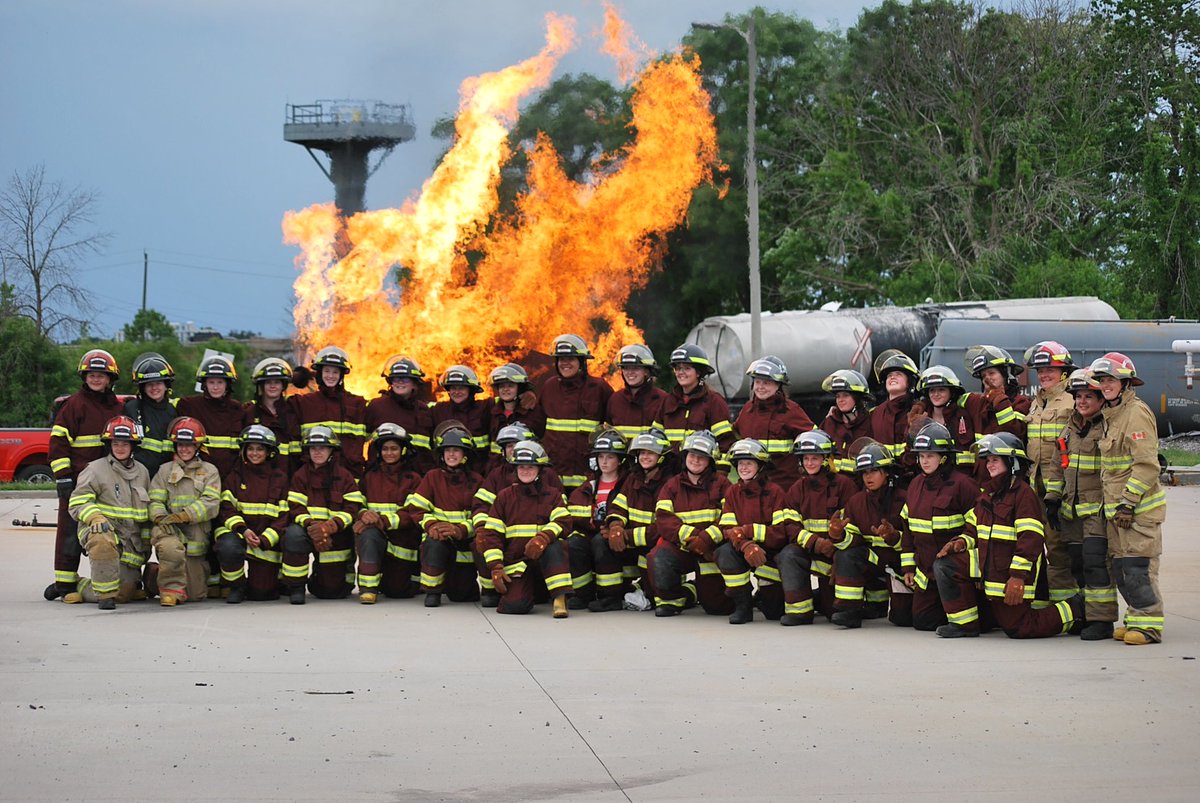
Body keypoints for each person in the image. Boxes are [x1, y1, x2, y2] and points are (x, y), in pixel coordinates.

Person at [931, 433, 1079, 639]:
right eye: (988, 460)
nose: (989, 465)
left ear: (1012, 462)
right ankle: (964, 625)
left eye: (995, 460)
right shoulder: (988, 494)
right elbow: (973, 530)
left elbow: (1031, 539)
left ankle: (1077, 608)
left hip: (1011, 574)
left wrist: (1018, 577)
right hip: (990, 569)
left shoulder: (1023, 494)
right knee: (946, 564)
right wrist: (960, 543)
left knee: (1019, 628)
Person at [1090, 352, 1167, 645]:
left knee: (1139, 568)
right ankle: (1134, 619)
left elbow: (1147, 465)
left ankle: (1148, 626)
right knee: (1123, 569)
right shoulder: (1112, 414)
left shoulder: (1135, 413)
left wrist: (1128, 502)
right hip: (1118, 512)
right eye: (1103, 380)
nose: (1106, 385)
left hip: (1137, 512)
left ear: (1126, 383)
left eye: (1111, 380)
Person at [46, 349, 125, 600]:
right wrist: (63, 477)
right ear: (84, 376)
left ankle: (109, 578)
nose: (96, 378)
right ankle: (65, 583)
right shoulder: (74, 405)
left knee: (108, 531)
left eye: (101, 374)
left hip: (109, 483)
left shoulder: (118, 407)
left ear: (110, 378)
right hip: (78, 481)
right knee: (69, 532)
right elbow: (58, 443)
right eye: (91, 374)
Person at [176, 356, 251, 596]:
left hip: (229, 483)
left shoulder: (239, 410)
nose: (216, 386)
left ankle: (225, 582)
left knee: (223, 532)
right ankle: (209, 581)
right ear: (204, 384)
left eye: (220, 382)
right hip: (198, 482)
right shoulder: (189, 406)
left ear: (228, 385)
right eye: (211, 382)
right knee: (202, 533)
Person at [899, 420, 981, 632]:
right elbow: (907, 530)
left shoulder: (963, 485)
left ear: (943, 457)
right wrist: (908, 567)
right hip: (926, 573)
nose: (925, 461)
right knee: (921, 621)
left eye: (930, 456)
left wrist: (960, 545)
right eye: (921, 456)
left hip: (954, 568)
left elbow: (978, 525)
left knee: (983, 619)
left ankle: (969, 619)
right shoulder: (916, 484)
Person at [63, 416, 152, 609]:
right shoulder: (95, 469)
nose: (120, 448)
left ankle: (86, 585)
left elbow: (146, 514)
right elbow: (78, 501)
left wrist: (146, 544)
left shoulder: (143, 473)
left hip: (130, 544)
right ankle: (101, 596)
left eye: (125, 444)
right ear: (108, 445)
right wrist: (95, 516)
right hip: (101, 531)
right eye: (116, 443)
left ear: (133, 446)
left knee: (125, 591)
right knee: (102, 535)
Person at [477, 439, 573, 617]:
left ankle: (560, 598)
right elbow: (492, 534)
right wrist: (496, 566)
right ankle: (535, 592)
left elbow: (563, 521)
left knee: (555, 547)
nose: (525, 471)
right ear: (515, 469)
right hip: (518, 564)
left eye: (530, 467)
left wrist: (543, 538)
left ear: (539, 470)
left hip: (545, 560)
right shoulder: (504, 497)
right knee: (515, 606)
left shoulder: (552, 495)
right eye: (521, 467)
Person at [824, 438, 911, 628]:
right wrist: (838, 535)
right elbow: (852, 542)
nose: (867, 477)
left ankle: (880, 602)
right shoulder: (856, 502)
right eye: (864, 472)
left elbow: (915, 542)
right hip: (874, 562)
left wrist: (894, 537)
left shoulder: (905, 499)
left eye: (873, 471)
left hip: (900, 566)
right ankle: (849, 611)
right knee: (846, 555)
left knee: (903, 619)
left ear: (886, 472)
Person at [647, 430, 734, 617]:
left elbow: (730, 517)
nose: (696, 460)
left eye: (702, 457)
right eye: (692, 455)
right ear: (685, 456)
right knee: (659, 557)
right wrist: (694, 537)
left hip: (712, 550)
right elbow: (663, 519)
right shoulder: (671, 486)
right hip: (684, 547)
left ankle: (694, 591)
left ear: (710, 460)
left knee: (717, 607)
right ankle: (672, 601)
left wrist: (707, 539)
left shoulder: (723, 484)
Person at [1059, 368, 1118, 639]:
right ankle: (1083, 614)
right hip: (1071, 510)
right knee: (1077, 564)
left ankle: (1102, 620)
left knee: (1096, 563)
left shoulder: (1106, 426)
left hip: (1097, 510)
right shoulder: (1069, 427)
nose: (1082, 402)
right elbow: (1057, 465)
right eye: (1078, 396)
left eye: (1088, 396)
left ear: (1101, 400)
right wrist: (1051, 498)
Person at [778, 430, 858, 625]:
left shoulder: (844, 485)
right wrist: (815, 542)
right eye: (806, 458)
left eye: (815, 458)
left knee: (833, 612)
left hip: (837, 552)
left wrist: (836, 542)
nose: (810, 463)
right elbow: (789, 525)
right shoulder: (797, 488)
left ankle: (843, 606)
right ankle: (800, 612)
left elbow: (854, 524)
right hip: (811, 550)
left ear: (826, 459)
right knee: (788, 554)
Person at [281, 425, 366, 604]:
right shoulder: (300, 476)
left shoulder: (345, 476)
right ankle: (296, 587)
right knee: (293, 535)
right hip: (308, 530)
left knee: (331, 591)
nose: (317, 452)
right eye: (313, 448)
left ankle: (320, 580)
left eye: (322, 448)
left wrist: (331, 526)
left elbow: (353, 507)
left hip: (336, 533)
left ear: (332, 451)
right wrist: (312, 526)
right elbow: (295, 506)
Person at [1021, 341, 1078, 604]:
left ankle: (1065, 607)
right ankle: (1046, 600)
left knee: (1058, 547)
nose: (1044, 375)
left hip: (1063, 488)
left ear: (1064, 371)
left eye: (1050, 370)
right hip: (1037, 486)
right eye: (1040, 370)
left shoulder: (1073, 400)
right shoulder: (1037, 403)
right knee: (1037, 543)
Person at [408, 422, 484, 607]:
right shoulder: (432, 477)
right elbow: (416, 508)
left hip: (464, 543)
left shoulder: (477, 480)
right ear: (441, 454)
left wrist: (460, 530)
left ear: (465, 454)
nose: (451, 454)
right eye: (447, 450)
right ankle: (432, 592)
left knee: (462, 595)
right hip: (439, 538)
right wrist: (432, 525)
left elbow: (482, 514)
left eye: (456, 450)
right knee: (433, 543)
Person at [714, 438, 790, 624]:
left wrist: (749, 532)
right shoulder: (732, 492)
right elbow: (727, 528)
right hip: (742, 548)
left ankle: (765, 595)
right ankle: (743, 605)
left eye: (749, 463)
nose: (744, 468)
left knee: (774, 613)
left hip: (770, 554)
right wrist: (746, 544)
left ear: (761, 466)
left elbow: (781, 532)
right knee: (724, 552)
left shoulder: (775, 492)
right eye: (740, 463)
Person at [148, 417, 222, 606]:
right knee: (171, 550)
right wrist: (159, 516)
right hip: (169, 530)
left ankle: (152, 576)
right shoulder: (164, 471)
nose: (184, 449)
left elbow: (211, 502)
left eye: (189, 445)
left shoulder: (210, 471)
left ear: (198, 446)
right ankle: (168, 590)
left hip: (195, 540)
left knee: (196, 595)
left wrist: (185, 515)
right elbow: (155, 499)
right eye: (180, 444)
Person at [214, 424, 289, 603]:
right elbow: (226, 508)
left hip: (265, 539)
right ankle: (235, 586)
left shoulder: (280, 479)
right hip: (239, 533)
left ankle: (263, 582)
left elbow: (284, 516)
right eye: (251, 449)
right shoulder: (234, 476)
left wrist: (265, 539)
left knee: (262, 595)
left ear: (269, 452)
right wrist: (243, 530)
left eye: (260, 449)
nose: (254, 453)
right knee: (228, 547)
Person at [353, 423, 424, 603]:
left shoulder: (414, 479)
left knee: (397, 590)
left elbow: (412, 513)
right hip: (375, 536)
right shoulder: (369, 477)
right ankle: (368, 589)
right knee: (368, 535)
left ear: (403, 450)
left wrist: (382, 520)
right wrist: (362, 514)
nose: (389, 453)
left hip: (402, 540)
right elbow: (357, 502)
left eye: (394, 448)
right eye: (385, 449)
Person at [605, 428, 675, 611]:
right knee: (600, 542)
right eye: (642, 452)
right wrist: (615, 526)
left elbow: (662, 526)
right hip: (633, 541)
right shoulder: (633, 478)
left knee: (654, 592)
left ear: (661, 456)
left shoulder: (669, 483)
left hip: (654, 544)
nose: (645, 457)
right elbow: (618, 505)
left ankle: (688, 592)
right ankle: (612, 594)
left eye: (650, 453)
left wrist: (625, 536)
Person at [539, 334, 613, 491]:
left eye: (571, 358)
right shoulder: (549, 387)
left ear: (581, 362)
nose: (565, 363)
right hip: (554, 476)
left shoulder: (598, 388)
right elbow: (535, 424)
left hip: (587, 475)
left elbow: (616, 421)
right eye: (561, 359)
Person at [566, 429, 629, 611]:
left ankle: (610, 597)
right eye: (601, 456)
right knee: (574, 543)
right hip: (592, 533)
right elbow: (573, 509)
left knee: (601, 542)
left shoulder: (627, 484)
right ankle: (583, 594)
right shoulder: (589, 485)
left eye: (610, 457)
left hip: (614, 537)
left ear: (619, 460)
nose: (604, 461)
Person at [733, 356, 814, 490]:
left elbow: (815, 441)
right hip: (751, 488)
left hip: (785, 488)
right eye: (757, 382)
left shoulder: (791, 411)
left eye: (766, 383)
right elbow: (735, 436)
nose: (760, 387)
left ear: (778, 385)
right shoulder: (747, 409)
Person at [293, 346, 368, 476]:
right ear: (320, 373)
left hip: (349, 479)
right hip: (314, 476)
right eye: (327, 371)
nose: (331, 376)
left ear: (341, 375)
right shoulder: (304, 403)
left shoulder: (357, 404)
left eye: (335, 372)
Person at [661, 344, 734, 459]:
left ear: (699, 372)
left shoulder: (714, 402)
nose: (681, 372)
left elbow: (725, 443)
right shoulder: (667, 401)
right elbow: (657, 438)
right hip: (671, 474)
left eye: (687, 368)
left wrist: (720, 473)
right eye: (678, 368)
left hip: (702, 473)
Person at [913, 365, 988, 477]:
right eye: (932, 390)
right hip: (930, 479)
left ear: (951, 392)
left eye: (941, 389)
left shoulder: (962, 416)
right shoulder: (920, 418)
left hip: (960, 478)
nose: (936, 394)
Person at [366, 355, 435, 473]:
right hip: (382, 477)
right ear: (390, 382)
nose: (400, 382)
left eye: (406, 379)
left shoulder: (424, 410)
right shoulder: (376, 406)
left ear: (414, 383)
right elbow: (360, 440)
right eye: (396, 379)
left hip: (417, 479)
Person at [868, 349, 921, 482]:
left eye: (898, 374)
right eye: (889, 375)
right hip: (882, 481)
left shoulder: (918, 411)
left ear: (910, 382)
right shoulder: (875, 413)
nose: (892, 377)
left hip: (910, 479)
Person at [124, 352, 178, 478]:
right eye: (149, 384)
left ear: (166, 385)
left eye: (158, 383)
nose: (154, 388)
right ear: (142, 388)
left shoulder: (174, 411)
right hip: (138, 475)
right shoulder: (132, 409)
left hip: (167, 476)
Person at [486, 362, 544, 471]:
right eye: (502, 386)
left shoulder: (533, 412)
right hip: (496, 471)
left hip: (524, 469)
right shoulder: (491, 410)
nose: (505, 389)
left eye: (510, 385)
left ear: (520, 388)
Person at [606, 344, 668, 442]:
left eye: (635, 368)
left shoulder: (662, 399)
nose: (630, 372)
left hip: (647, 457)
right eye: (626, 368)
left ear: (646, 371)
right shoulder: (615, 399)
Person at [249, 358, 301, 475]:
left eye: (277, 382)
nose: (273, 386)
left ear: (283, 385)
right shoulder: (250, 412)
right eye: (268, 382)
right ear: (261, 385)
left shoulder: (294, 409)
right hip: (259, 476)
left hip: (291, 475)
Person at [966, 344, 1030, 440]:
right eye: (983, 376)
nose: (987, 378)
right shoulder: (979, 403)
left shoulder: (1021, 402)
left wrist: (1000, 400)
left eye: (992, 373)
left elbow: (1015, 433)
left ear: (1006, 375)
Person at [819, 369, 873, 474]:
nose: (840, 400)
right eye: (838, 396)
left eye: (845, 395)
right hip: (834, 484)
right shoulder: (829, 423)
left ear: (857, 398)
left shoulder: (870, 422)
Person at [431, 364, 490, 458]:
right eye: (453, 388)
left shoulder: (484, 408)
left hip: (478, 467)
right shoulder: (438, 410)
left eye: (461, 388)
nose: (457, 392)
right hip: (448, 466)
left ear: (471, 390)